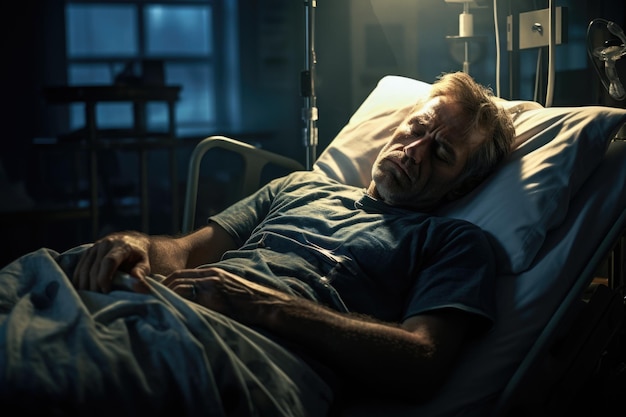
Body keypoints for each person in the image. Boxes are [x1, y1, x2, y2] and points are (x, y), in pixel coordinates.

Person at [72, 72, 515, 409]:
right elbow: (187, 252)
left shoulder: (454, 242)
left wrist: (263, 305)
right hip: (166, 306)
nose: (414, 150)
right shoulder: (299, 187)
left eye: (441, 153)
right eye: (417, 128)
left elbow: (422, 360)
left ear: (459, 188)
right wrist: (139, 245)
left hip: (242, 352)